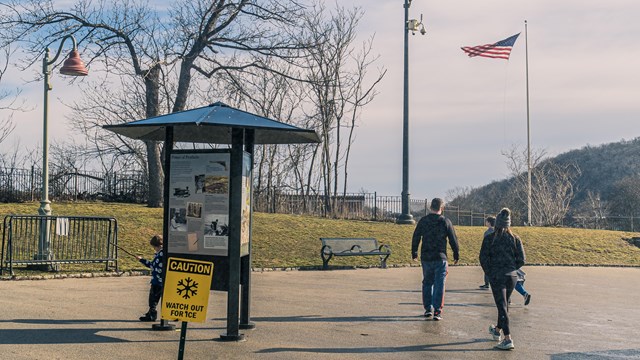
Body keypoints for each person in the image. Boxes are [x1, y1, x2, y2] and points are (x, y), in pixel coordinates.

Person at [480, 208, 525, 350]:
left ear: (497, 224)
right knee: (504, 305)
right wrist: (512, 268)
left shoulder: (490, 238)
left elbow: (483, 258)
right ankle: (497, 330)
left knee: (502, 306)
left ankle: (508, 339)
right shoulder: (515, 238)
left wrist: (489, 272)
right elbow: (522, 259)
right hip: (511, 276)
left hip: (497, 276)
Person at [411, 198, 459, 321]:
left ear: (430, 207)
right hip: (440, 256)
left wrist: (414, 252)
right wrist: (456, 254)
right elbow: (453, 239)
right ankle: (437, 310)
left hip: (426, 257)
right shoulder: (445, 221)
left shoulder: (423, 221)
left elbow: (416, 236)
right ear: (441, 208)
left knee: (427, 282)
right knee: (439, 284)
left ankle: (428, 309)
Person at [136, 234, 164, 322]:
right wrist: (141, 260)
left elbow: (153, 266)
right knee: (155, 298)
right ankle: (150, 313)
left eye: (154, 247)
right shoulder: (161, 253)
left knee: (153, 299)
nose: (154, 249)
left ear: (157, 246)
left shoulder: (160, 255)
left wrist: (142, 260)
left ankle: (152, 315)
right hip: (161, 280)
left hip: (158, 281)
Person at [479, 216, 496, 289]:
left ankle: (487, 284)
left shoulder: (487, 232)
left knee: (487, 269)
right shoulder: (497, 231)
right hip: (496, 253)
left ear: (489, 223)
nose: (485, 223)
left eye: (486, 221)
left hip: (489, 253)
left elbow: (485, 244)